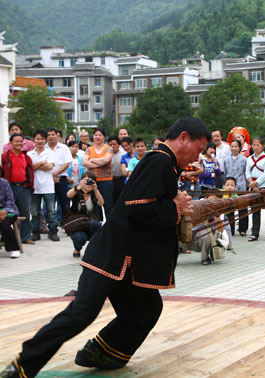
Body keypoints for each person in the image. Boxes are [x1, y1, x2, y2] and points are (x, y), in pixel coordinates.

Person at [1, 117, 209, 378]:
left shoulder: (165, 162)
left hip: (126, 261)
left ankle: (102, 352)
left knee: (147, 309)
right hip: (111, 254)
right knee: (81, 314)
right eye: (198, 150)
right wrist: (174, 208)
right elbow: (137, 207)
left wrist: (173, 202)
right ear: (183, 138)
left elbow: (145, 202)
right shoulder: (160, 161)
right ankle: (21, 366)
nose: (196, 157)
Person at [1, 133, 34, 246]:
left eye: (21, 141)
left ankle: (25, 237)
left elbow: (30, 172)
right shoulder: (5, 156)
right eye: (16, 141)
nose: (19, 143)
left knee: (25, 212)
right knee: (6, 212)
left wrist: (30, 186)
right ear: (10, 143)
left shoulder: (26, 157)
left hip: (24, 187)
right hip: (9, 188)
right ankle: (3, 238)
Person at [28, 129, 59, 242]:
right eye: (37, 138)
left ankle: (53, 232)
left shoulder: (50, 152)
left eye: (42, 138)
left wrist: (35, 166)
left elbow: (50, 167)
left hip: (48, 186)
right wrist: (42, 163)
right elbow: (29, 168)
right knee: (35, 212)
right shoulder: (29, 154)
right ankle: (36, 232)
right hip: (34, 187)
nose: (39, 141)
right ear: (34, 140)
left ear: (45, 140)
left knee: (51, 211)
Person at [66, 172, 104, 257]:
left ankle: (93, 249)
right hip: (77, 225)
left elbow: (101, 203)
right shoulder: (77, 192)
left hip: (91, 224)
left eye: (91, 181)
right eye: (86, 180)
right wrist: (79, 187)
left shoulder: (95, 193)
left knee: (96, 225)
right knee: (80, 238)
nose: (88, 183)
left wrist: (96, 190)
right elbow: (68, 195)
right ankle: (77, 248)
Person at [246, 137, 265, 242]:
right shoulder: (249, 158)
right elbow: (247, 172)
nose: (256, 146)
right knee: (255, 210)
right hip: (253, 187)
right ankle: (254, 233)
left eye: (258, 144)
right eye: (254, 144)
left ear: (262, 146)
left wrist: (256, 183)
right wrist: (252, 184)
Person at [82, 128, 113, 221]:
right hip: (92, 181)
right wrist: (100, 163)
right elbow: (84, 162)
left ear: (104, 137)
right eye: (96, 135)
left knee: (108, 205)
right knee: (95, 205)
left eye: (100, 135)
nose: (97, 137)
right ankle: (98, 227)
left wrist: (91, 160)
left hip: (106, 181)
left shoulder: (108, 148)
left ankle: (110, 227)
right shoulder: (89, 149)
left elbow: (107, 160)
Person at [46, 127, 73, 221]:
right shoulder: (44, 148)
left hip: (61, 179)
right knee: (49, 204)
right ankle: (50, 224)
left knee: (64, 203)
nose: (51, 137)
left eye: (53, 134)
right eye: (49, 135)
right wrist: (51, 176)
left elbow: (67, 163)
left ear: (57, 136)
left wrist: (55, 174)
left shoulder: (64, 148)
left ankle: (65, 222)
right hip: (47, 180)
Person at [223, 139, 248, 235]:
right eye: (232, 146)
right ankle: (231, 229)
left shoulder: (244, 160)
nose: (234, 148)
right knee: (229, 208)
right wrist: (227, 185)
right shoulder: (226, 160)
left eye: (236, 146)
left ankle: (243, 229)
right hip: (229, 187)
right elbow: (225, 173)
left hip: (241, 185)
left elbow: (246, 173)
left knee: (242, 207)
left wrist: (245, 185)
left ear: (239, 148)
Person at [0, 176, 21, 258]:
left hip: (9, 210)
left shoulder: (4, 182)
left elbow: (10, 200)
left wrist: (4, 211)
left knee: (5, 225)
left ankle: (14, 249)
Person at [107, 136, 124, 204]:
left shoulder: (123, 154)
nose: (112, 146)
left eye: (114, 144)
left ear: (119, 145)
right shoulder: (106, 156)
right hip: (110, 180)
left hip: (121, 179)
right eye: (110, 145)